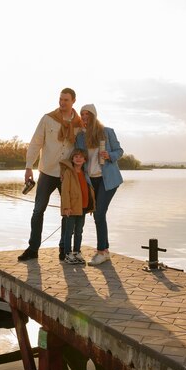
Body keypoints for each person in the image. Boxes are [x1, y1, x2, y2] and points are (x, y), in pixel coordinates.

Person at [18, 88, 82, 261]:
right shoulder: (48, 119)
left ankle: (64, 249)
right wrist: (28, 166)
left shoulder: (79, 124)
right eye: (60, 99)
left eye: (66, 100)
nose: (62, 103)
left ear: (73, 101)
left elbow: (82, 149)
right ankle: (33, 249)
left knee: (67, 212)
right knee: (38, 210)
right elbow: (35, 142)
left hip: (66, 174)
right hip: (47, 171)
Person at [76, 104, 123, 266]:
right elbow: (79, 156)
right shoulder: (81, 137)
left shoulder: (107, 132)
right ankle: (106, 251)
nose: (84, 117)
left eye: (87, 114)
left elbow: (120, 151)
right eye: (82, 115)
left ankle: (101, 251)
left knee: (99, 213)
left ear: (94, 116)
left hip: (108, 180)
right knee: (98, 213)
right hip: (91, 180)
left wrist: (109, 155)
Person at [59, 148, 95, 264]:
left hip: (83, 208)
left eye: (81, 157)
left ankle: (77, 252)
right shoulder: (68, 173)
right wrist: (66, 207)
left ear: (85, 160)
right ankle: (67, 253)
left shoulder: (85, 173)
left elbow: (88, 190)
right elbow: (65, 191)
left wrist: (91, 206)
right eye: (76, 157)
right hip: (71, 208)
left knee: (79, 231)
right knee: (69, 232)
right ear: (72, 159)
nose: (78, 159)